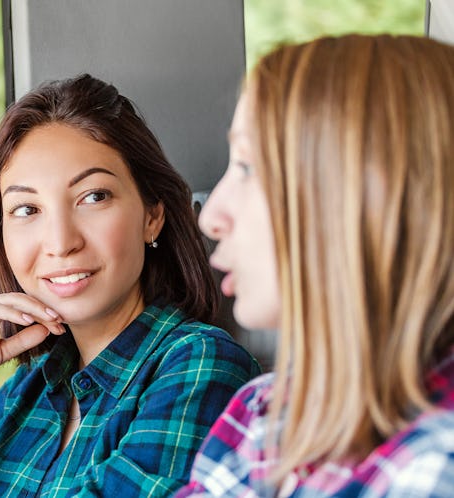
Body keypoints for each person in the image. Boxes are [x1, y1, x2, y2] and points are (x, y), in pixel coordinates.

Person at [0, 74, 261, 498]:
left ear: (152, 216)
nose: (61, 242)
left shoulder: (199, 365)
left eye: (93, 197)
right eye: (27, 208)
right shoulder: (23, 393)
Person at [175, 34, 454, 497]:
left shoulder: (434, 467)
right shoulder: (264, 412)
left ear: (367, 200)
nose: (210, 215)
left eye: (247, 168)